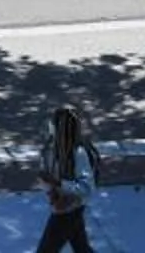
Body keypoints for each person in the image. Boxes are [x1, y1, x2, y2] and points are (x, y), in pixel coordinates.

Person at [34, 105, 103, 253]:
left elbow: (86, 187)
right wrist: (51, 193)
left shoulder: (79, 153)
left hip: (73, 207)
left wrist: (59, 184)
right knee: (81, 247)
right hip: (60, 205)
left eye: (54, 124)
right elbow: (44, 175)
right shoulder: (49, 150)